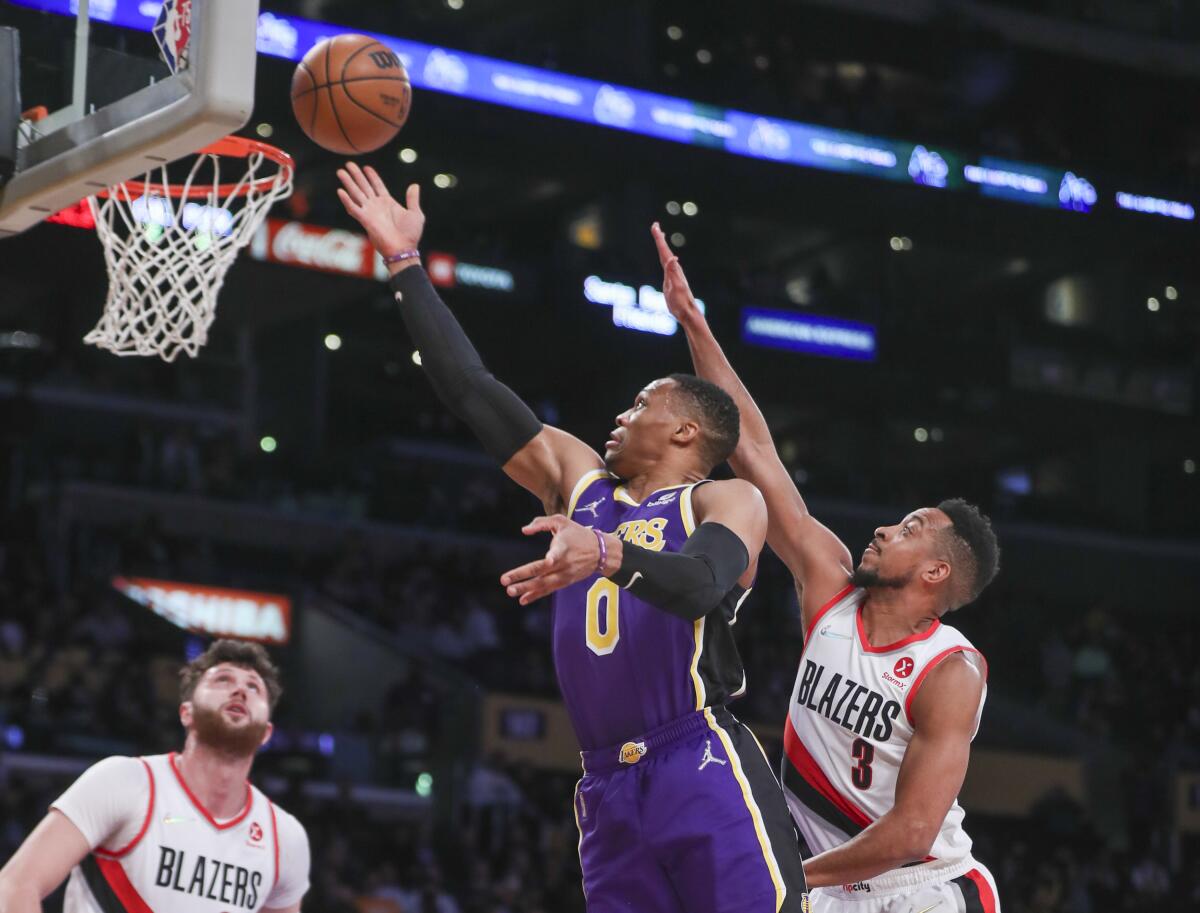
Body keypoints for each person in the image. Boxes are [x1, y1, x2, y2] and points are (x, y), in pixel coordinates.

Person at [335, 162, 808, 913]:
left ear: (687, 429)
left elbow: (703, 585)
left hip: (697, 753)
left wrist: (607, 553)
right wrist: (404, 265)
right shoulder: (579, 480)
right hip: (604, 784)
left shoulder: (726, 496)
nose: (620, 415)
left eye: (641, 403)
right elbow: (469, 388)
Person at [653, 225, 1002, 913]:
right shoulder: (829, 585)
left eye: (909, 529)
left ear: (935, 573)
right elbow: (753, 450)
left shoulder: (950, 672)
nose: (883, 527)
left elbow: (910, 831)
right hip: (826, 885)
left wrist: (787, 876)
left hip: (921, 888)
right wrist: (693, 322)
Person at [0, 639, 310, 913]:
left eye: (253, 687)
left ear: (267, 733)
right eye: (223, 679)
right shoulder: (126, 782)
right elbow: (16, 885)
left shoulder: (284, 837)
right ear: (186, 712)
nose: (240, 689)